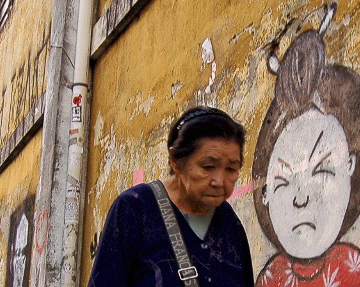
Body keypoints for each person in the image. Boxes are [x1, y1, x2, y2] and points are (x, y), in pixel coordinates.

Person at [252, 30, 360, 286]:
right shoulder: (270, 278)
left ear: (350, 167)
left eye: (322, 172)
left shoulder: (353, 268)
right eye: (283, 182)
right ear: (265, 194)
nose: (301, 198)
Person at [88, 106, 254, 287]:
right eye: (207, 167)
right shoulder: (135, 209)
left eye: (231, 169)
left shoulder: (230, 224)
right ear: (175, 161)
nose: (220, 181)